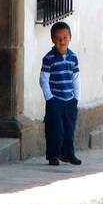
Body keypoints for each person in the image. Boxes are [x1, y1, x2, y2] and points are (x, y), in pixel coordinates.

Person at [40, 21, 81, 166]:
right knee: (55, 129)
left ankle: (68, 154)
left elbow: (76, 79)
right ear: (52, 40)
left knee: (69, 129)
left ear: (70, 38)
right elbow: (43, 79)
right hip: (55, 100)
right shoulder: (49, 58)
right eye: (58, 38)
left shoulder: (73, 58)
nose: (62, 41)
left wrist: (76, 97)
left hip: (69, 100)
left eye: (64, 37)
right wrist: (49, 98)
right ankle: (53, 155)